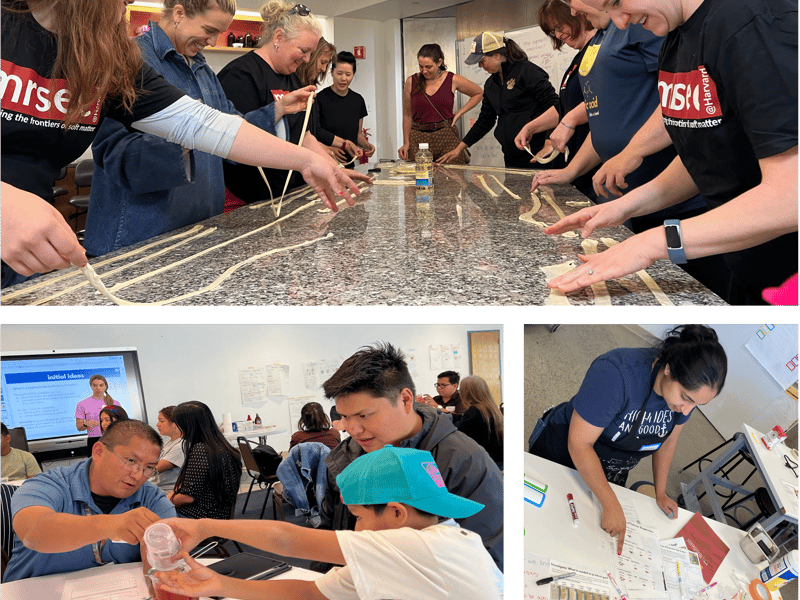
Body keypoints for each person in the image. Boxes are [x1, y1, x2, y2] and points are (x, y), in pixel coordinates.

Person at [0, 0, 366, 289]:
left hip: (27, 255)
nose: (123, 11)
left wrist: (304, 159)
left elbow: (206, 124)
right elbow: (119, 153)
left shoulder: (110, 58)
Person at [545, 0, 798, 306]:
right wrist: (627, 205)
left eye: (616, 2)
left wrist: (654, 243)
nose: (621, 23)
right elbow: (707, 157)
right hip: (748, 264)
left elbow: (790, 197)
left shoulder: (751, 22)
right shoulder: (676, 41)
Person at [84, 0, 320, 256]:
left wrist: (277, 109)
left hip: (198, 234)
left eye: (219, 32)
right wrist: (187, 139)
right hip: (139, 239)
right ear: (179, 13)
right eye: (209, 30)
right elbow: (111, 149)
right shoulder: (131, 59)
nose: (212, 40)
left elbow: (230, 129)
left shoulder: (202, 69)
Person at [151, 446, 504, 600]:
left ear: (397, 512)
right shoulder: (429, 540)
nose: (356, 528)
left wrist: (205, 526)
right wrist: (220, 585)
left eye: (360, 518)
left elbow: (289, 540)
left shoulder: (424, 546)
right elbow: (312, 592)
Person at [529, 324, 727, 553]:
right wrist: (610, 502)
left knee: (585, 539)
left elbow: (669, 441)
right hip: (563, 451)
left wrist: (660, 492)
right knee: (545, 524)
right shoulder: (615, 374)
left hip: (611, 467)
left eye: (697, 404)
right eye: (685, 398)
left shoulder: (684, 402)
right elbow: (580, 444)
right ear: (669, 369)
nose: (685, 411)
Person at [320, 342, 504, 571]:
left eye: (364, 415)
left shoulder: (463, 463)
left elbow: (491, 561)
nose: (353, 429)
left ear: (406, 400)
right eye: (345, 417)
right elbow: (329, 537)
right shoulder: (345, 459)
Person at [3, 420, 176, 582]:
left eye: (149, 468)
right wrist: (112, 524)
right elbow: (32, 532)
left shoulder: (151, 498)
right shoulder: (50, 484)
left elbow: (161, 567)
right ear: (98, 451)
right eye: (131, 461)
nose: (138, 475)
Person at [217, 0, 342, 206]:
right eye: (303, 50)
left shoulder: (291, 78)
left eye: (311, 53)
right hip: (246, 199)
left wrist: (335, 172)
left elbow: (303, 136)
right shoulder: (240, 76)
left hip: (282, 195)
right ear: (278, 37)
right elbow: (235, 139)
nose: (307, 59)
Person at [514, 0, 598, 198]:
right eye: (553, 32)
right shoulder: (579, 59)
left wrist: (569, 121)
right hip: (575, 164)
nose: (559, 35)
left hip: (592, 164)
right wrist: (531, 127)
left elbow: (604, 103)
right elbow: (564, 108)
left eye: (560, 27)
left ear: (577, 14)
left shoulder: (598, 52)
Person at [439, 32, 559, 168]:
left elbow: (555, 106)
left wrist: (549, 142)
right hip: (511, 156)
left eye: (482, 61)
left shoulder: (527, 71)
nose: (480, 66)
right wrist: (460, 148)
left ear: (496, 55)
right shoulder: (491, 84)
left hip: (538, 153)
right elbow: (485, 120)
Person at [398, 43, 483, 163]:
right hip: (418, 137)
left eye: (428, 66)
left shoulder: (452, 79)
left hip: (446, 136)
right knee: (421, 179)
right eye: (421, 66)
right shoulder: (411, 81)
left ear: (439, 62)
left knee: (453, 178)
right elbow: (407, 115)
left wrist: (459, 113)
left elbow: (478, 93)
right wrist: (406, 142)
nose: (424, 71)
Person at [168, 401, 241, 519]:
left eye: (177, 423)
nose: (175, 427)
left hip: (201, 516)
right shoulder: (219, 445)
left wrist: (162, 504)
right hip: (218, 513)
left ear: (189, 425)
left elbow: (187, 497)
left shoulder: (201, 450)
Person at [314, 51, 375, 164]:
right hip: (325, 161)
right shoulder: (319, 99)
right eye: (339, 73)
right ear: (332, 72)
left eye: (348, 74)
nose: (343, 78)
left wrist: (367, 146)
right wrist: (328, 149)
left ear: (353, 74)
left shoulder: (358, 100)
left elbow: (357, 134)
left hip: (349, 163)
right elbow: (314, 134)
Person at [455, 376, 504, 470]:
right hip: (498, 460)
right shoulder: (490, 408)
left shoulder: (474, 411)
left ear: (466, 392)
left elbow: (459, 433)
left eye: (460, 390)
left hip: (487, 463)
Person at [75, 374, 121, 452]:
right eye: (95, 385)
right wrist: (85, 424)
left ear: (105, 386)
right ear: (91, 387)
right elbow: (79, 427)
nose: (98, 388)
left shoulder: (115, 403)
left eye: (101, 385)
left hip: (113, 438)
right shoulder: (82, 404)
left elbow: (121, 423)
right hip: (94, 440)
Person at [150, 406, 185, 494]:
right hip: (156, 488)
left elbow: (154, 469)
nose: (157, 424)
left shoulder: (180, 446)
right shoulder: (168, 442)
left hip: (165, 492)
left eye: (161, 421)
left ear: (175, 423)